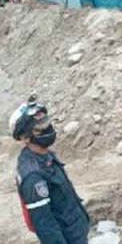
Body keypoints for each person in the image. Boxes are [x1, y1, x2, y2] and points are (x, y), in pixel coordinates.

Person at [11, 100, 90, 244]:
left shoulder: (46, 155)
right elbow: (45, 226)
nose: (47, 130)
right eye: (39, 129)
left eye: (47, 125)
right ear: (24, 138)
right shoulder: (32, 175)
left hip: (76, 232)